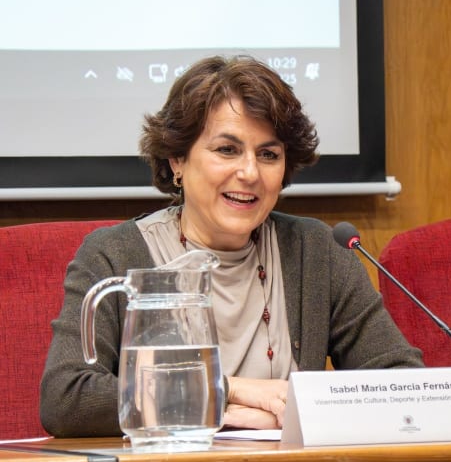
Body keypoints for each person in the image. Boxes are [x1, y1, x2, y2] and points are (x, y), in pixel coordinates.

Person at [40, 55, 424, 437]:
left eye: (268, 155)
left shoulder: (316, 252)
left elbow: (401, 384)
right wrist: (227, 394)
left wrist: (307, 408)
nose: (250, 173)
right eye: (227, 150)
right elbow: (67, 399)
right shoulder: (115, 256)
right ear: (177, 159)